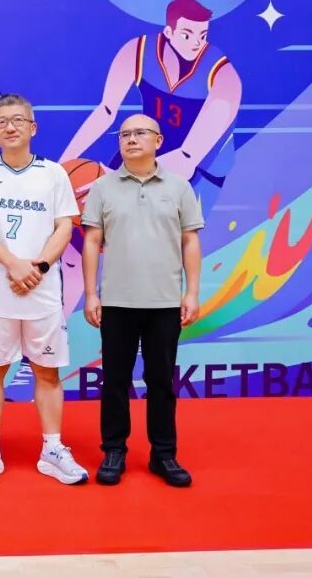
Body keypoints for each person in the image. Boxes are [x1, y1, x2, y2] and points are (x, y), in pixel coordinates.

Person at [59, 0, 241, 316]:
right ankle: (57, 330)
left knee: (154, 249)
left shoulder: (224, 78)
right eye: (187, 34)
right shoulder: (137, 52)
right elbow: (105, 111)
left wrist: (112, 180)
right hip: (142, 148)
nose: (196, 43)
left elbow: (187, 158)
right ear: (169, 32)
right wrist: (61, 168)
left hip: (201, 170)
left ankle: (157, 326)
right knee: (77, 237)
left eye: (202, 35)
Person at [0, 94, 88, 486]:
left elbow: (64, 226)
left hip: (42, 291)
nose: (10, 127)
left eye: (17, 120)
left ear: (33, 127)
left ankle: (52, 449)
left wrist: (40, 266)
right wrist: (13, 264)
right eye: (1, 122)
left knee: (47, 372)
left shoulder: (53, 173)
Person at [81, 113, 204, 488]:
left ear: (158, 141)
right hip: (117, 301)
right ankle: (114, 450)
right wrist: (91, 294)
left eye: (140, 133)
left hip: (164, 301)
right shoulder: (102, 187)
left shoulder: (179, 187)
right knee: (115, 381)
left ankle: (163, 454)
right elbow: (91, 241)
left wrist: (192, 292)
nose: (131, 139)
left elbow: (190, 240)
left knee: (161, 382)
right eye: (125, 134)